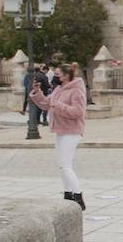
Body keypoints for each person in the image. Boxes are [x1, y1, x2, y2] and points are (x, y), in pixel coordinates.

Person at [29, 61, 88, 209]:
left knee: (66, 165)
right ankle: (67, 193)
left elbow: (78, 112)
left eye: (57, 75)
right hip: (61, 130)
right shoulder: (59, 89)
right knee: (61, 165)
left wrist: (58, 105)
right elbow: (45, 104)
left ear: (66, 76)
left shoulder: (76, 91)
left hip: (72, 131)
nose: (54, 77)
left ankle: (78, 196)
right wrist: (37, 92)